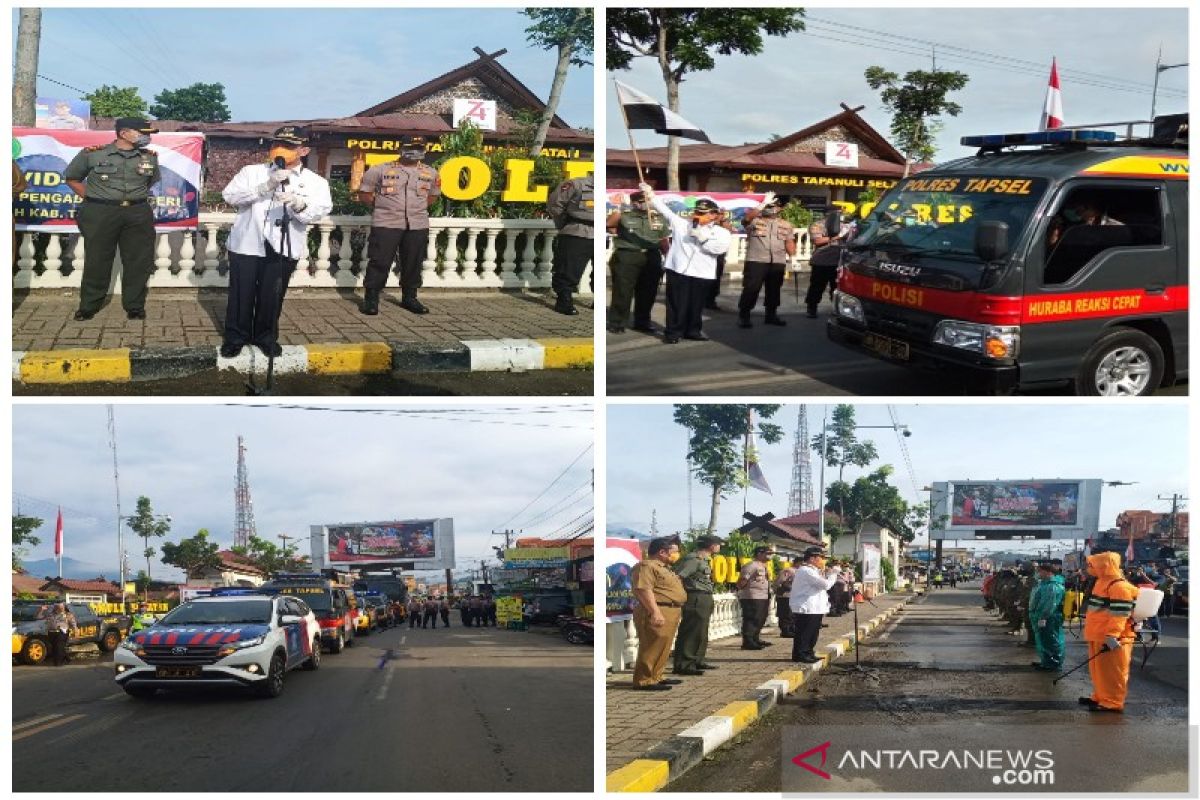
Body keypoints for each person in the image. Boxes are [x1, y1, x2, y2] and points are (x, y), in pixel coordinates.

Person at [220, 126, 332, 358]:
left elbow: (318, 211)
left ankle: (265, 337)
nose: (279, 150)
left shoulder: (316, 182)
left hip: (283, 245)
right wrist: (265, 187)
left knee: (272, 296)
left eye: (289, 146)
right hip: (248, 243)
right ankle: (235, 337)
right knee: (241, 294)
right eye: (276, 144)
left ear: (303, 150)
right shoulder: (252, 172)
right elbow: (230, 196)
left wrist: (298, 203)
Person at [64, 117, 161, 321]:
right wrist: (94, 197)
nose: (147, 137)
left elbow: (149, 182)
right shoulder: (93, 154)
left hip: (137, 212)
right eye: (143, 132)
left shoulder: (149, 157)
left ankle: (134, 306)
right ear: (124, 133)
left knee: (138, 260)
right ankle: (89, 306)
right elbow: (72, 178)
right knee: (97, 260)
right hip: (100, 213)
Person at [355, 135, 441, 315]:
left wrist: (415, 209)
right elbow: (365, 194)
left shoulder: (431, 173)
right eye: (410, 147)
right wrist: (385, 208)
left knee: (413, 263)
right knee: (380, 261)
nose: (414, 151)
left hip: (417, 224)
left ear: (424, 150)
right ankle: (371, 299)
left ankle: (410, 297)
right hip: (386, 223)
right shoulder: (379, 170)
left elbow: (432, 196)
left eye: (419, 148)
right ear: (400, 148)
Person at [639, 183, 732, 344]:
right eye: (697, 212)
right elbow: (664, 210)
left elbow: (719, 249)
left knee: (696, 305)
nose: (698, 215)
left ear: (714, 215)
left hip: (702, 272)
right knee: (675, 303)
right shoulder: (681, 224)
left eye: (703, 213)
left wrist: (702, 238)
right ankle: (673, 332)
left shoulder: (721, 232)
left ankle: (693, 330)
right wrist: (650, 194)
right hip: (678, 269)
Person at [1080, 551, 1139, 713]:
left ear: (1104, 566)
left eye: (1093, 565)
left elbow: (1120, 614)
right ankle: (1100, 696)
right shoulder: (1102, 582)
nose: (1089, 568)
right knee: (1099, 670)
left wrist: (1112, 635)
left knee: (1113, 673)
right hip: (1098, 634)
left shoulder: (1119, 586)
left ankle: (1112, 702)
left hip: (1112, 637)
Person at [630, 536, 686, 690]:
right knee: (652, 645)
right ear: (662, 552)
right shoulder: (646, 566)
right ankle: (644, 680)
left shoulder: (663, 568)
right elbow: (643, 590)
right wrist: (655, 612)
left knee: (664, 645)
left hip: (670, 609)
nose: (676, 554)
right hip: (657, 609)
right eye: (673, 552)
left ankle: (657, 676)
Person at [606, 191, 667, 333]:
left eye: (648, 201)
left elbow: (663, 239)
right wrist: (621, 209)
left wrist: (668, 258)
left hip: (652, 255)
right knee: (622, 290)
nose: (647, 204)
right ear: (635, 203)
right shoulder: (625, 215)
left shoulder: (657, 217)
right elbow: (609, 223)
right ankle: (617, 323)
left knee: (648, 292)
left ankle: (642, 322)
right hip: (628, 255)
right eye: (643, 201)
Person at [738, 192, 796, 329]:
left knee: (774, 290)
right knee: (751, 288)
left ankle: (771, 315)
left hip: (777, 261)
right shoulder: (755, 221)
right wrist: (762, 203)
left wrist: (793, 257)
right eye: (768, 206)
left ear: (779, 208)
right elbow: (746, 218)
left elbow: (789, 241)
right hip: (756, 260)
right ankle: (744, 315)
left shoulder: (786, 225)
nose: (770, 208)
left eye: (773, 206)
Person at [672, 534, 723, 675]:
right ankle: (685, 664)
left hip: (704, 596)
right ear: (711, 545)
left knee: (701, 630)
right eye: (718, 544)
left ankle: (697, 660)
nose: (719, 546)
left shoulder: (704, 560)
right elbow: (677, 577)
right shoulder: (693, 559)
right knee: (692, 630)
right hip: (695, 596)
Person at [545, 174, 595, 315]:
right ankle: (564, 301)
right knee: (569, 270)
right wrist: (564, 224)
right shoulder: (576, 184)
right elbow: (554, 204)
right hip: (578, 232)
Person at [790, 547, 840, 664]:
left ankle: (808, 652)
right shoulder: (806, 571)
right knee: (805, 633)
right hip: (807, 607)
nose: (823, 561)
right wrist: (833, 574)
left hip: (814, 607)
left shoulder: (813, 571)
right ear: (812, 558)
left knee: (812, 633)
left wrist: (829, 573)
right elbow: (826, 585)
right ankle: (801, 654)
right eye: (820, 558)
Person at [804, 209, 849, 319]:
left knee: (837, 288)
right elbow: (818, 241)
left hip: (838, 262)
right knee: (817, 287)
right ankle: (811, 308)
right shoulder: (818, 225)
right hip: (821, 261)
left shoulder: (844, 226)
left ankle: (837, 310)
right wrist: (837, 237)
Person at [1029, 561, 1066, 671]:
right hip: (1042, 616)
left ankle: (1053, 664)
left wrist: (1043, 617)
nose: (1038, 573)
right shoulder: (1044, 584)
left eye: (1040, 571)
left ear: (1048, 572)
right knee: (1043, 639)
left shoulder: (1052, 587)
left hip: (1049, 618)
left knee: (1051, 640)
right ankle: (1046, 661)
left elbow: (1050, 605)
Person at [736, 546, 775, 650]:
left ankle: (755, 638)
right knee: (752, 618)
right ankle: (748, 642)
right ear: (759, 553)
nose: (770, 556)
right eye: (768, 553)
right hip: (752, 596)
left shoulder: (763, 566)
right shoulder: (751, 565)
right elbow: (742, 580)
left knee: (760, 618)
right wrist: (743, 592)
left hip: (763, 596)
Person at [774, 557, 801, 638]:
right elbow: (780, 581)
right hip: (785, 595)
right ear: (797, 563)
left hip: (793, 595)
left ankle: (791, 629)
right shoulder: (788, 570)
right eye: (802, 563)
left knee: (792, 614)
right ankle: (785, 630)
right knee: (785, 614)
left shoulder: (798, 571)